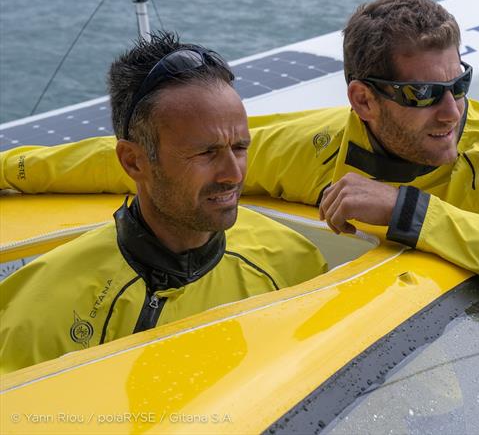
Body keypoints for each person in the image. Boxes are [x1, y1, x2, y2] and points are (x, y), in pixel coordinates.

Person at [0, 0, 479, 320]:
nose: (452, 111)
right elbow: (143, 158)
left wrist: (408, 210)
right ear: (362, 100)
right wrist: (9, 170)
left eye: (460, 84)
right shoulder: (318, 146)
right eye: (423, 95)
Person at [0, 33, 327, 374]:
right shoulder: (39, 316)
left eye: (240, 148)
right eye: (206, 152)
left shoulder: (294, 262)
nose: (233, 174)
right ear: (133, 162)